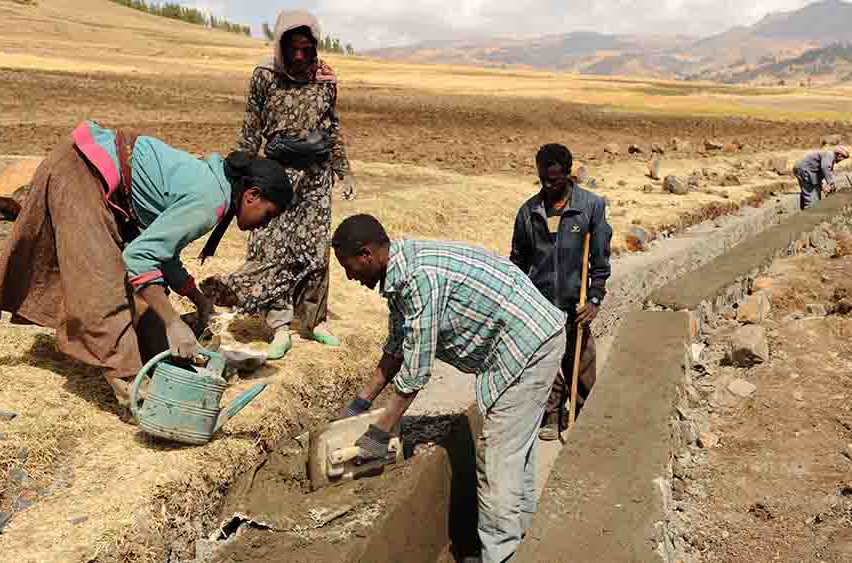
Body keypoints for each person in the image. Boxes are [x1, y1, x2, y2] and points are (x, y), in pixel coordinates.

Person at [0, 120, 292, 406]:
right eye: (268, 215)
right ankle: (132, 387)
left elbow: (161, 252)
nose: (262, 226)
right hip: (81, 172)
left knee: (147, 293)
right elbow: (139, 257)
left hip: (94, 175)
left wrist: (197, 299)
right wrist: (173, 322)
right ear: (252, 195)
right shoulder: (210, 202)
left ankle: (161, 360)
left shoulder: (216, 189)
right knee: (106, 288)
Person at [331, 214, 566, 563]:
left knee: (499, 456)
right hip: (530, 337)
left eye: (349, 268)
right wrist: (360, 403)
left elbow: (416, 370)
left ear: (366, 254)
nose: (350, 278)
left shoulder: (420, 279)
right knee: (516, 450)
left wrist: (379, 433)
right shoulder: (401, 272)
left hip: (526, 345)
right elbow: (397, 346)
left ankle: (501, 555)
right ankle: (525, 540)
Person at [200, 10, 356, 361]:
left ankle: (313, 322)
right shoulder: (265, 76)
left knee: (314, 251)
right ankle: (280, 326)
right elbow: (250, 128)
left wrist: (344, 171)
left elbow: (331, 130)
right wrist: (239, 177)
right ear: (281, 45)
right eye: (292, 49)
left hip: (315, 179)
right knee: (271, 249)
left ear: (315, 45)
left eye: (306, 48)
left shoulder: (326, 79)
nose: (299, 56)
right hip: (275, 177)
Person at [510, 144, 612, 441]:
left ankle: (583, 413)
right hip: (540, 303)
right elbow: (518, 260)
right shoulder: (528, 212)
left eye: (553, 179)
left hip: (575, 300)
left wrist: (594, 299)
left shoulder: (590, 207)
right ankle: (551, 415)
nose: (547, 185)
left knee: (581, 361)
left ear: (568, 175)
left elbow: (600, 260)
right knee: (546, 363)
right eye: (542, 178)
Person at [793, 145, 851, 210]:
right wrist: (831, 184)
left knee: (815, 194)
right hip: (804, 170)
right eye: (843, 157)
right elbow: (825, 168)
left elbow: (819, 172)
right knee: (812, 198)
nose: (842, 160)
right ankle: (809, 215)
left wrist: (822, 186)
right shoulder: (830, 155)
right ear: (839, 155)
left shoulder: (829, 158)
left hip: (808, 172)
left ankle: (806, 211)